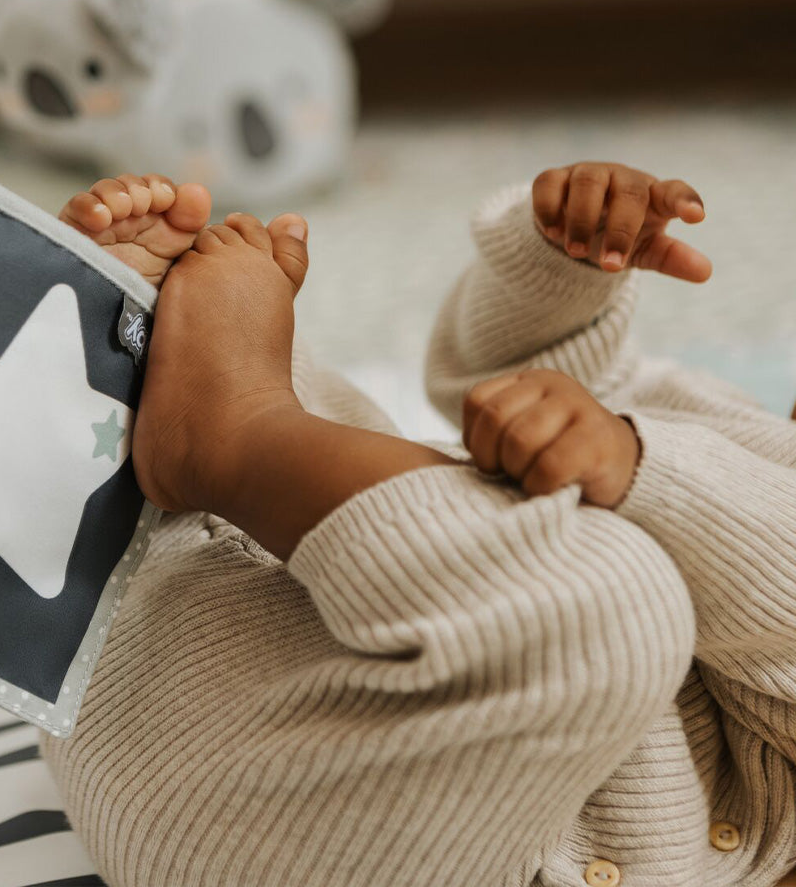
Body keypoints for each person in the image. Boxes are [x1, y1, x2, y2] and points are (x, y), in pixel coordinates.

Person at [41, 164, 796, 887]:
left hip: (336, 832)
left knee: (614, 605)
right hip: (211, 662)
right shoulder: (735, 422)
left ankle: (229, 427)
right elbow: (519, 389)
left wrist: (637, 465)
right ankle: (144, 347)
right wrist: (568, 273)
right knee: (396, 454)